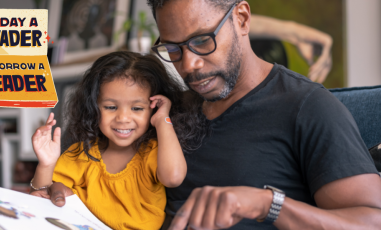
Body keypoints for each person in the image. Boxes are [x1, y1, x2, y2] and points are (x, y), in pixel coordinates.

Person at [147, 0, 381, 229]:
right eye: (172, 49)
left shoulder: (307, 107)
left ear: (241, 19)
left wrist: (268, 205)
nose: (189, 65)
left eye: (202, 40)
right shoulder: (168, 109)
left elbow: (372, 223)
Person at [30, 51, 195, 230]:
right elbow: (41, 197)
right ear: (94, 107)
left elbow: (174, 178)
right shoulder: (81, 154)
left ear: (152, 110)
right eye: (110, 107)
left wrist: (163, 120)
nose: (123, 118)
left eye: (137, 108)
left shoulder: (153, 152)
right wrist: (46, 164)